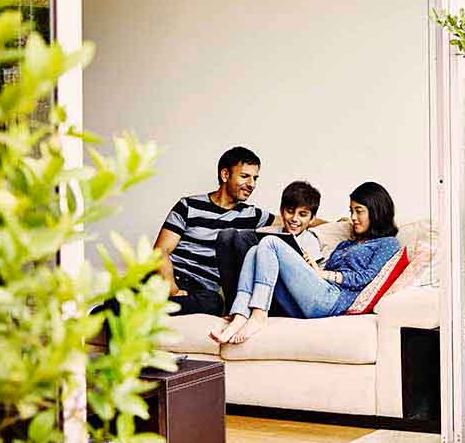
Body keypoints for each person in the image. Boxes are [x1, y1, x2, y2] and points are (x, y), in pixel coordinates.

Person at [211, 181, 401, 344]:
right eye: (351, 211)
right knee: (254, 250)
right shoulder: (346, 243)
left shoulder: (388, 243)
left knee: (270, 242)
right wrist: (313, 269)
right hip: (316, 294)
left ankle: (259, 315)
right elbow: (326, 272)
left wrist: (323, 274)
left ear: (376, 212)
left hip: (332, 301)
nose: (352, 218)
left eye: (359, 211)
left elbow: (366, 278)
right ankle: (239, 315)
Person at [153, 146, 274, 316]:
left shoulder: (251, 214)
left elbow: (291, 218)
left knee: (214, 304)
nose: (252, 184)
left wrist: (318, 223)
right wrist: (172, 289)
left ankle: (135, 308)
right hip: (169, 279)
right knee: (129, 295)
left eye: (255, 178)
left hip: (202, 290)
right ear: (225, 175)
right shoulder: (188, 205)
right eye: (245, 176)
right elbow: (160, 251)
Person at [209, 180, 324, 341]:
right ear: (281, 211)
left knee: (255, 243)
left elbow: (313, 283)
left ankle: (248, 314)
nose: (295, 219)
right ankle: (237, 312)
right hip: (259, 291)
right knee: (227, 236)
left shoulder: (310, 241)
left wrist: (307, 264)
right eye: (290, 212)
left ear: (312, 219)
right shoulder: (270, 233)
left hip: (282, 298)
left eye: (303, 214)